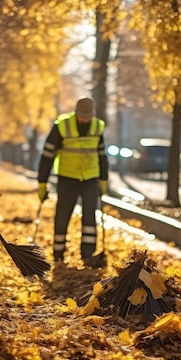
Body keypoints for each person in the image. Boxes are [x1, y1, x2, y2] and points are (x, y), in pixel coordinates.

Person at [37, 97, 108, 267]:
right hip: (67, 178)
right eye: (82, 115)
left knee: (90, 217)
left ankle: (88, 255)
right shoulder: (62, 126)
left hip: (90, 178)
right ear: (76, 112)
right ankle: (59, 255)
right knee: (63, 215)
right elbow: (47, 156)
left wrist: (103, 179)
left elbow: (102, 156)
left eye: (87, 116)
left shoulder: (98, 126)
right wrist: (42, 182)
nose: (84, 119)